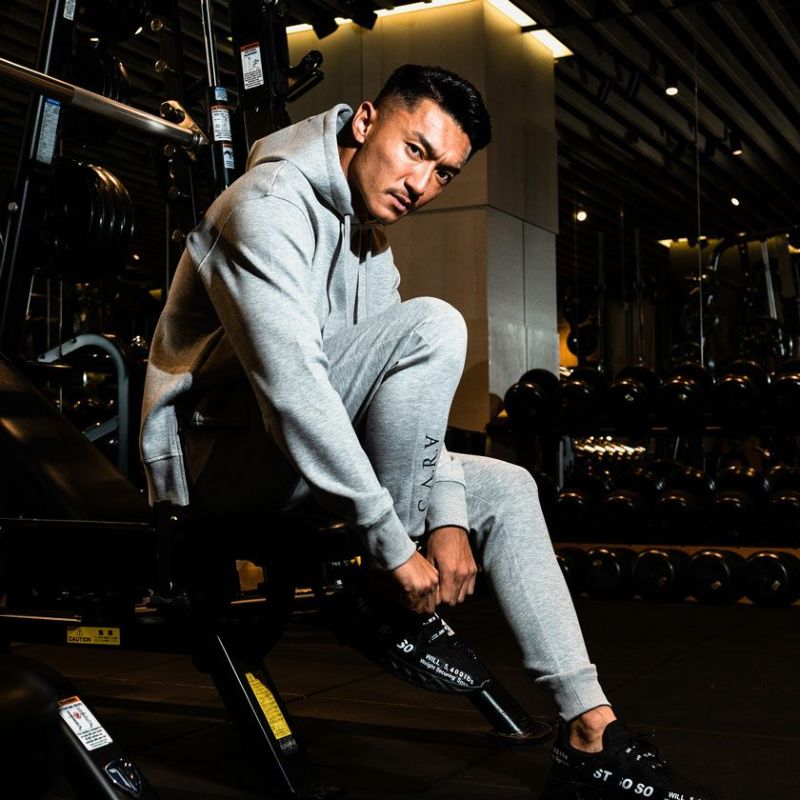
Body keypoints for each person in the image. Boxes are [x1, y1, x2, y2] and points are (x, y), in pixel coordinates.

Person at [140, 64, 720, 800]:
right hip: (214, 468)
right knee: (434, 325)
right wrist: (393, 546)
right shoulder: (266, 205)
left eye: (444, 173)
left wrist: (444, 514)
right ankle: (385, 597)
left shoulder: (369, 242)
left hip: (298, 464)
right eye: (416, 150)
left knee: (507, 487)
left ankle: (589, 731)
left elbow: (399, 406)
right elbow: (294, 396)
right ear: (365, 122)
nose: (422, 184)